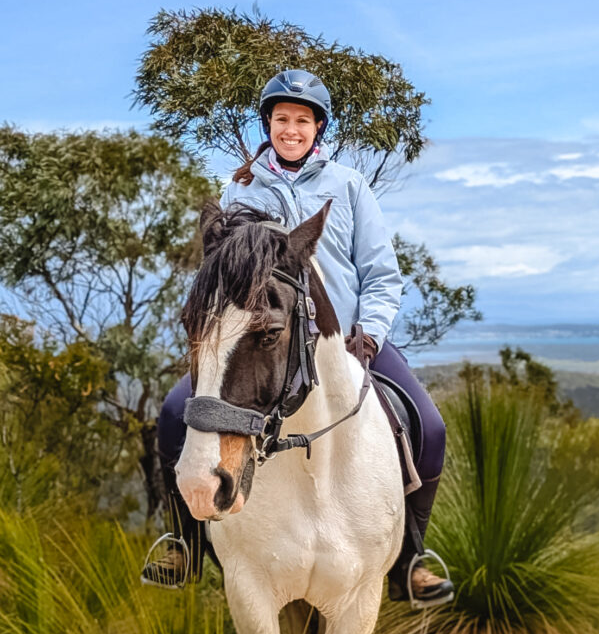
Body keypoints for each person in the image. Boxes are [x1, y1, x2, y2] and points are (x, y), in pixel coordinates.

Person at [148, 69, 453, 605]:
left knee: (429, 426)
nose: (292, 129)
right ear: (268, 123)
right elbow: (224, 272)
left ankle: (410, 558)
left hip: (344, 343)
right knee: (176, 414)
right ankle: (186, 543)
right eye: (282, 118)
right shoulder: (240, 188)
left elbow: (382, 275)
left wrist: (371, 336)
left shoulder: (348, 186)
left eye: (302, 120)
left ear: (318, 128)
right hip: (260, 343)